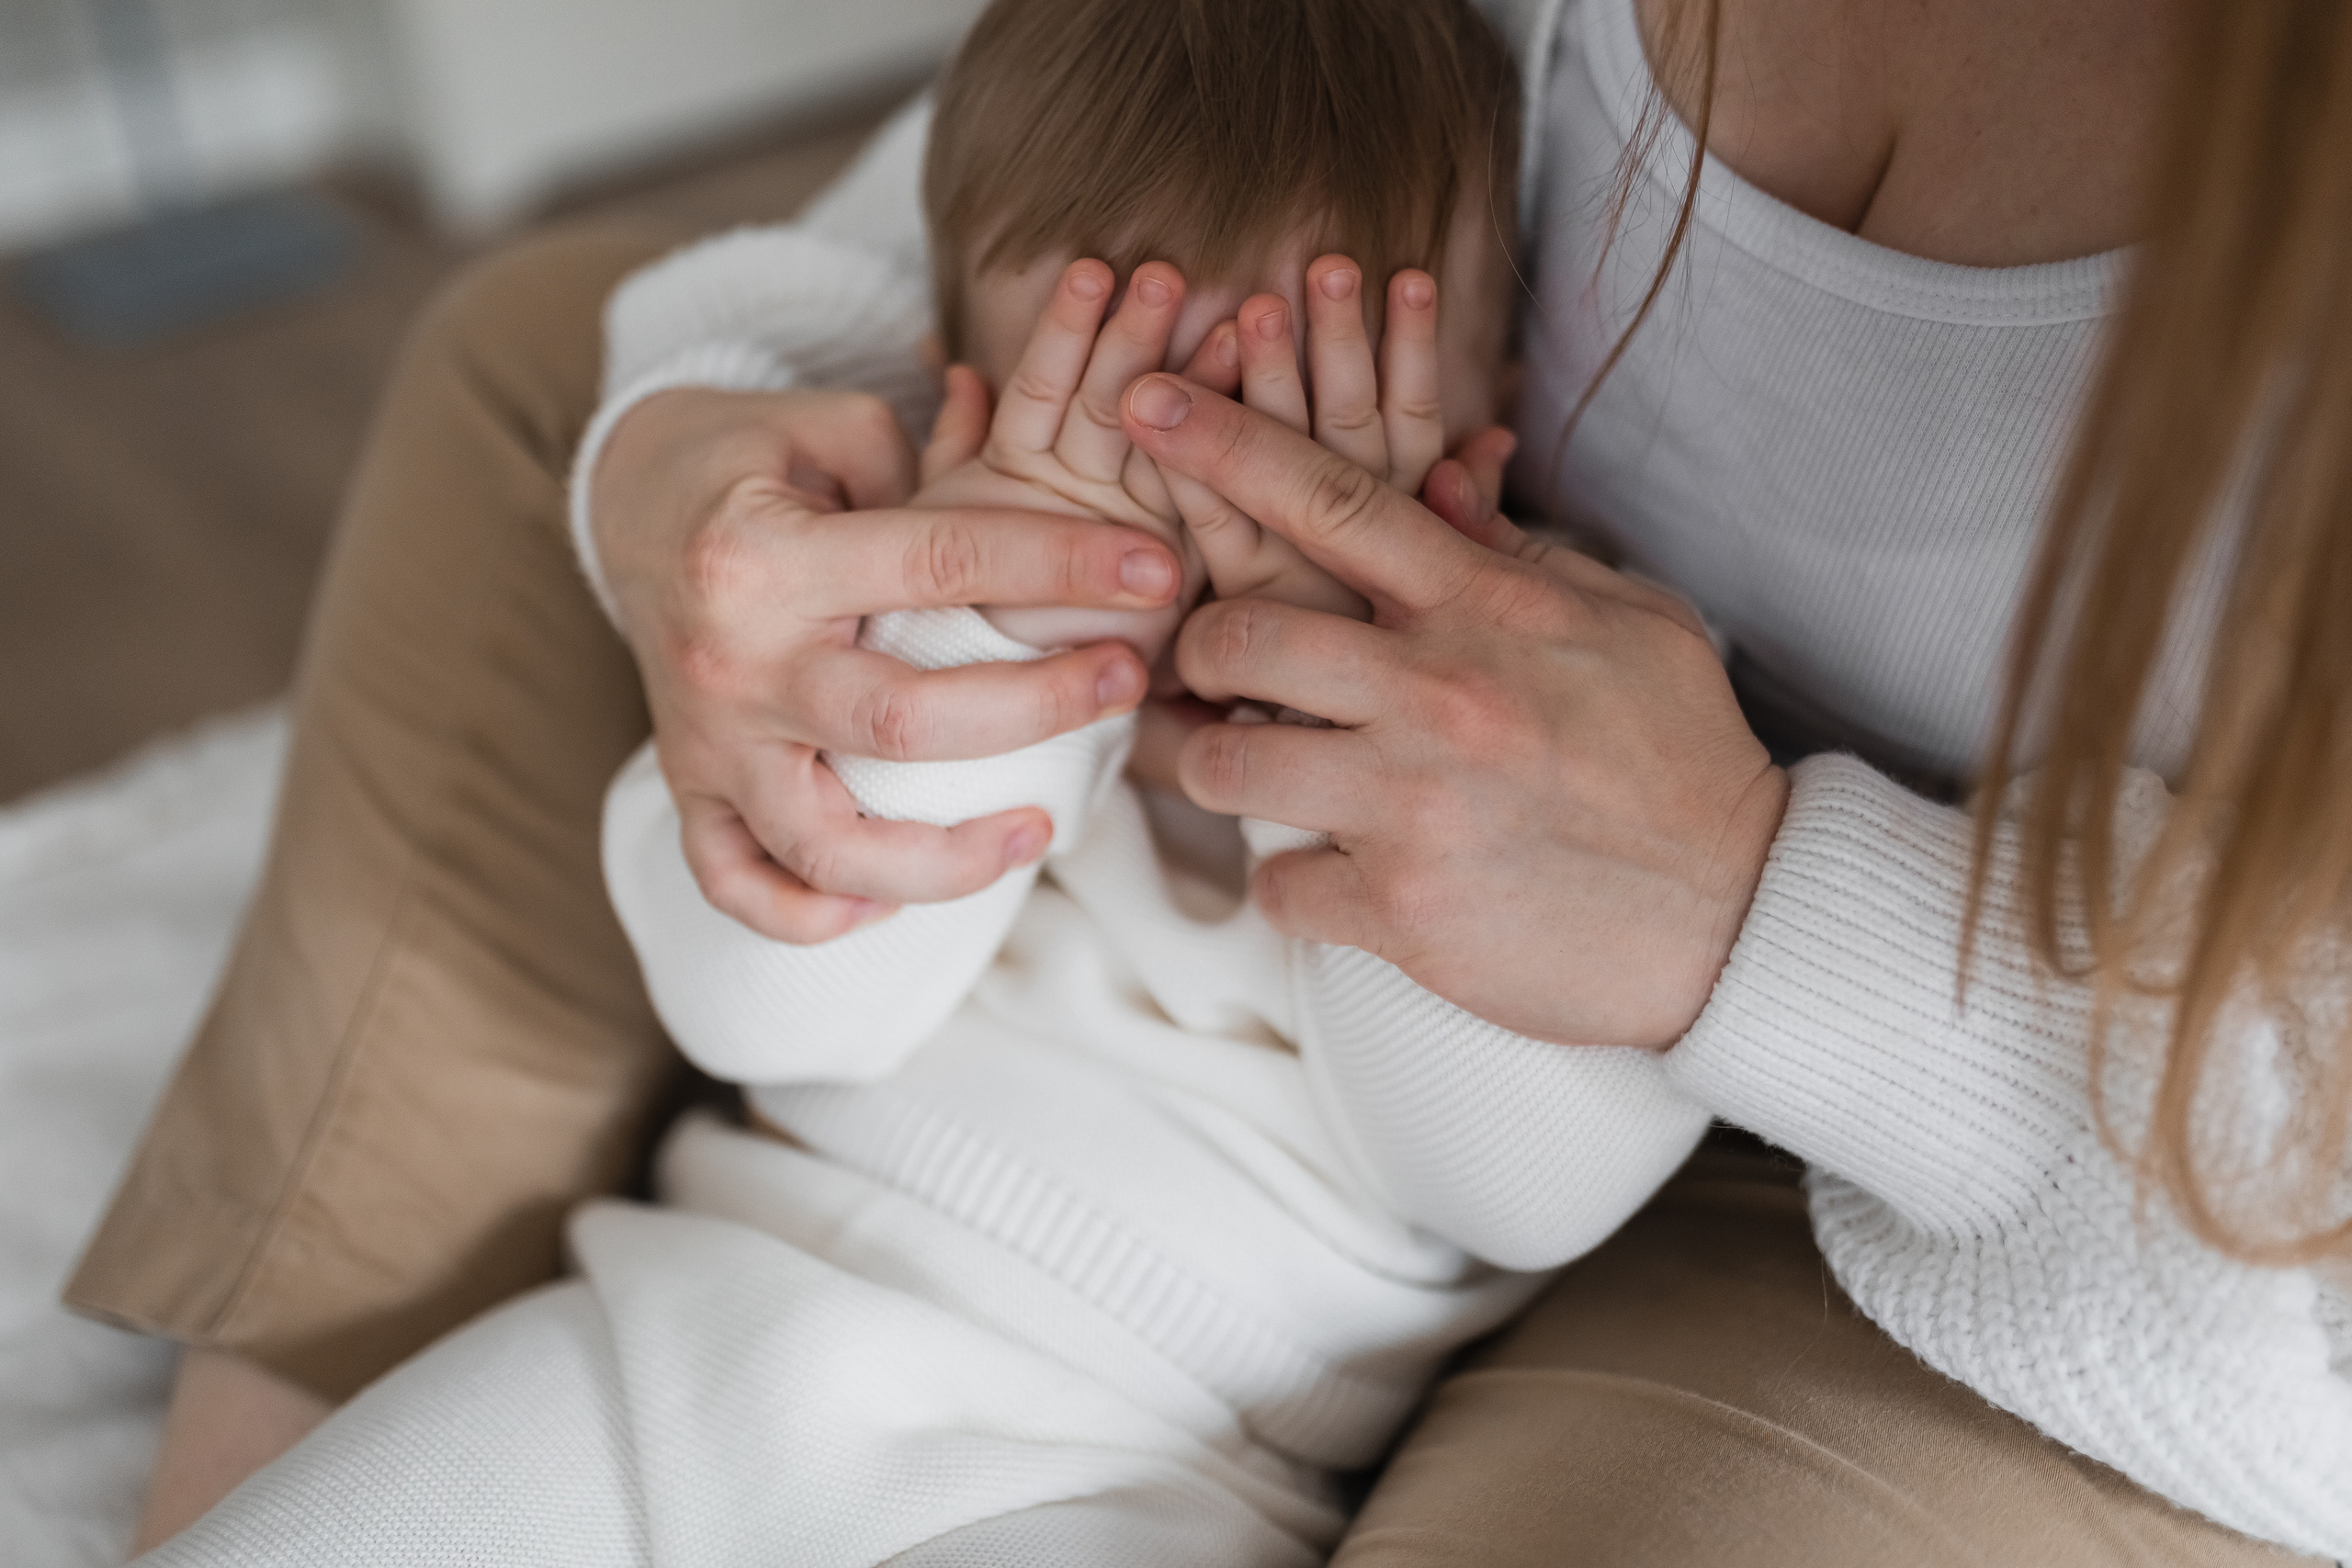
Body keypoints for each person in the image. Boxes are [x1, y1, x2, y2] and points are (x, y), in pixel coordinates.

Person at [81, 0, 2350, 1562]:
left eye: (1309, 414)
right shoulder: (995, 633)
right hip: (702, 1303)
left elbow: (1503, 1179)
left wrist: (1707, 886)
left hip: (1186, 1426)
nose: (1220, 488)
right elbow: (774, 1011)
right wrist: (807, 522)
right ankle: (277, 1391)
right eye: (1150, 399)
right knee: (544, 351)